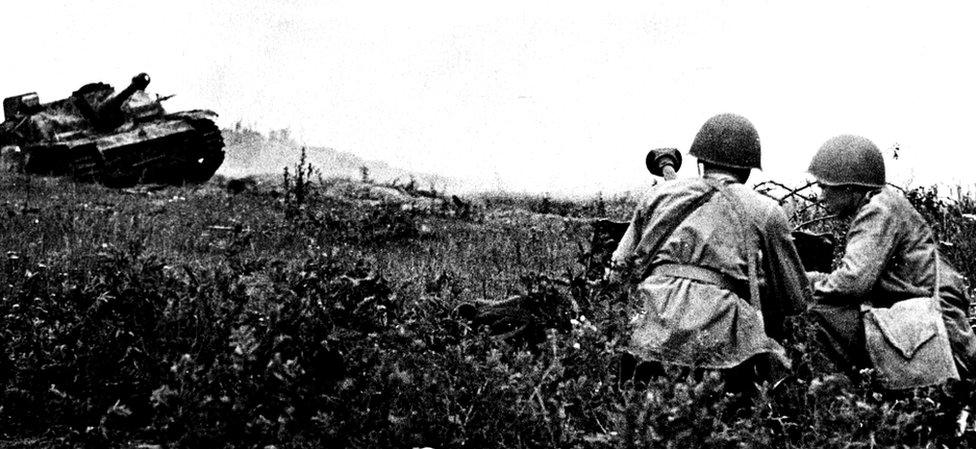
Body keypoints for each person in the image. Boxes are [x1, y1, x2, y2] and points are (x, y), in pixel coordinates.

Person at [610, 113, 811, 389]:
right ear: (749, 169)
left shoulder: (657, 197)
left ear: (700, 161)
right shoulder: (766, 210)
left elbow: (618, 269)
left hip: (648, 334)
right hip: (721, 349)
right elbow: (796, 300)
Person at [806, 134, 976, 376]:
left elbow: (852, 283)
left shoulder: (877, 211)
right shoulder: (884, 204)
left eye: (825, 187)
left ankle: (837, 397)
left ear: (850, 189)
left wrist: (803, 284)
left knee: (819, 315)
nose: (821, 196)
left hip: (935, 322)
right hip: (919, 313)